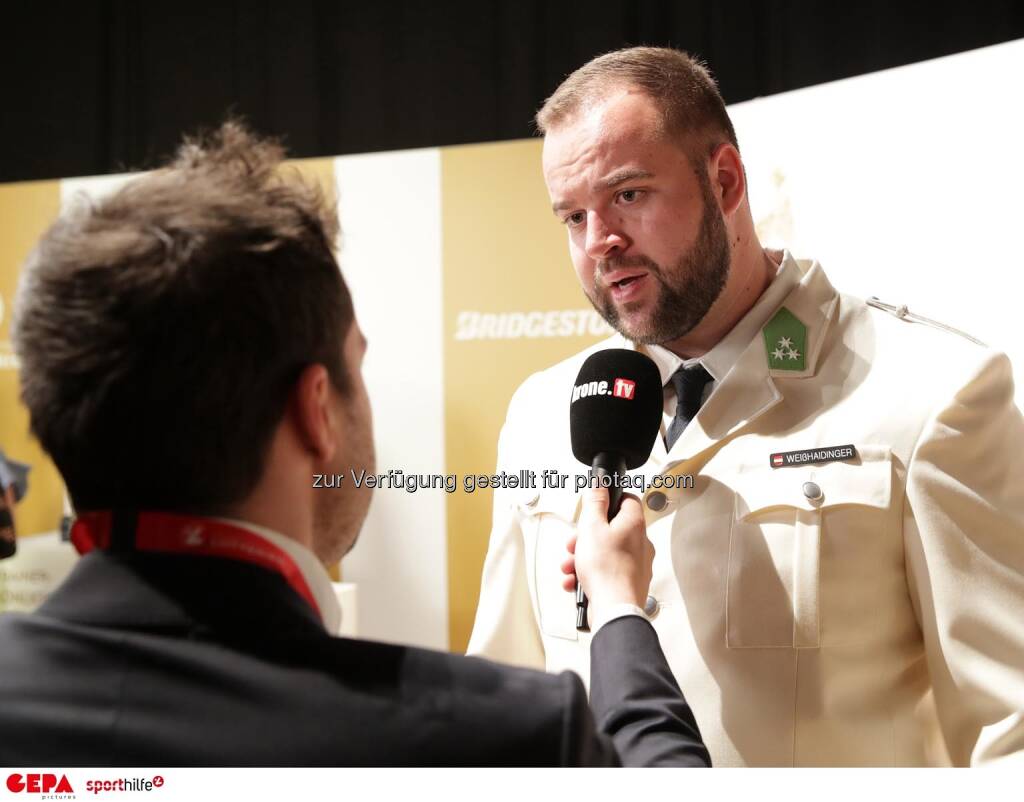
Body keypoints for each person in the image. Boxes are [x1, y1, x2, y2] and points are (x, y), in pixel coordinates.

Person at [0, 122, 709, 767]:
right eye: (356, 365)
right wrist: (617, 606)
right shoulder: (493, 740)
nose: (600, 237)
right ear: (316, 410)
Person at [468, 46, 1024, 767]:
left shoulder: (934, 392)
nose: (599, 243)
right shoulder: (543, 413)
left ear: (724, 180)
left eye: (628, 195)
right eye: (573, 216)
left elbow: (1009, 734)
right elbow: (510, 705)